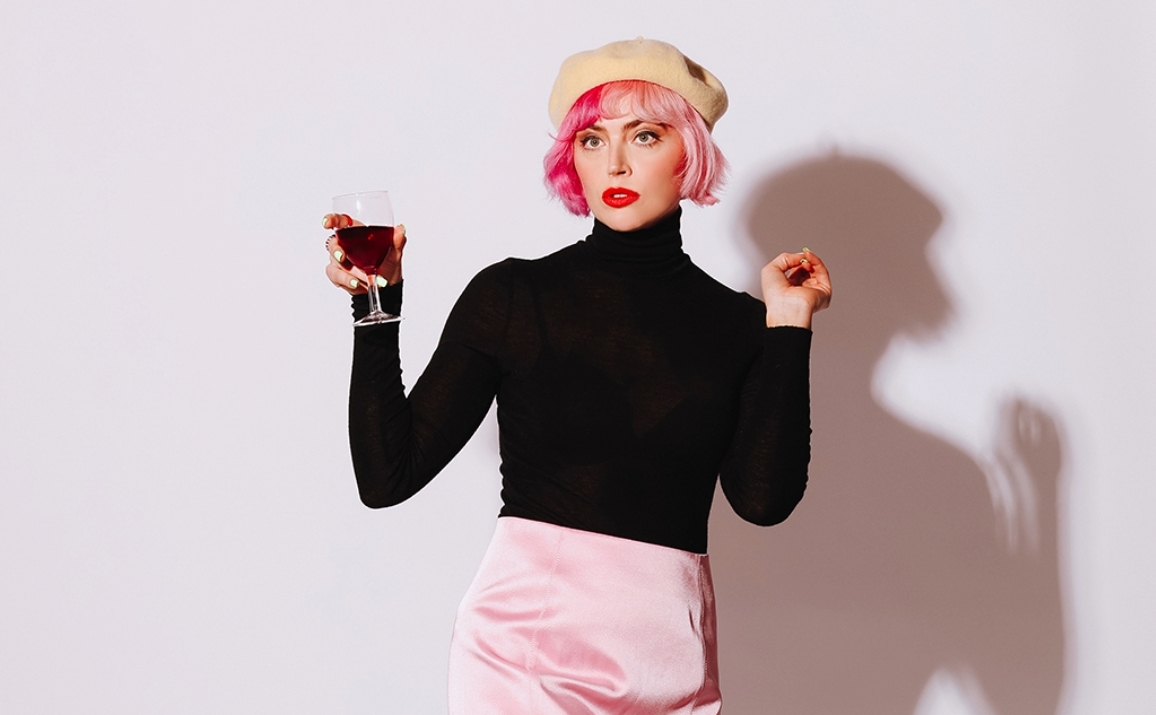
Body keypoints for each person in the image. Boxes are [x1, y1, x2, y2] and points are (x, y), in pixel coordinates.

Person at [323, 37, 831, 715]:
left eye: (644, 135)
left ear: (690, 153)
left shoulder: (742, 324)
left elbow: (762, 502)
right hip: (524, 654)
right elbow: (387, 478)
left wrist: (790, 325)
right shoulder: (512, 297)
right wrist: (376, 306)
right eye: (592, 140)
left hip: (673, 659)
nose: (615, 161)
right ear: (573, 160)